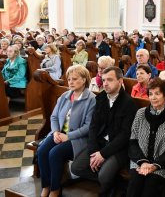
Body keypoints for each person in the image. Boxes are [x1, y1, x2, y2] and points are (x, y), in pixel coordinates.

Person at [71, 67, 138, 196]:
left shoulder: (129, 103)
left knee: (104, 175)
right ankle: (116, 183)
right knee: (76, 167)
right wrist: (93, 151)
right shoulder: (100, 98)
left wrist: (102, 154)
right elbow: (93, 127)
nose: (105, 83)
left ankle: (107, 181)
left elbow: (124, 136)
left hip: (118, 149)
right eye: (103, 80)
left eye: (109, 80)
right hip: (100, 144)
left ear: (120, 81)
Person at [37, 65, 96, 197]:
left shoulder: (91, 99)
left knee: (54, 153)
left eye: (74, 79)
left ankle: (55, 188)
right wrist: (56, 132)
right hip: (59, 134)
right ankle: (46, 185)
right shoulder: (65, 96)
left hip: (77, 139)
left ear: (84, 80)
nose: (70, 82)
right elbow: (54, 117)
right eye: (69, 79)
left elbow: (88, 127)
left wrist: (68, 136)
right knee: (42, 151)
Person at [126, 77, 165, 197]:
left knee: (150, 188)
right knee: (134, 185)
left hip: (160, 164)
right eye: (150, 94)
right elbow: (132, 142)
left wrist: (154, 165)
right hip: (139, 161)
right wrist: (142, 162)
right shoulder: (140, 113)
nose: (153, 97)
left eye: (157, 93)